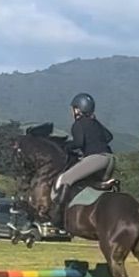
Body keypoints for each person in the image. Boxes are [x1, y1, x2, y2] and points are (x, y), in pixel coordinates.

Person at [50, 93, 114, 226]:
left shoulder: (78, 124)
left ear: (78, 109)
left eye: (73, 108)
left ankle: (58, 216)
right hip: (110, 159)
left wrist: (66, 146)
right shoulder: (95, 123)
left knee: (65, 179)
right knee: (89, 184)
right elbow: (109, 137)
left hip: (96, 159)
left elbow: (78, 143)